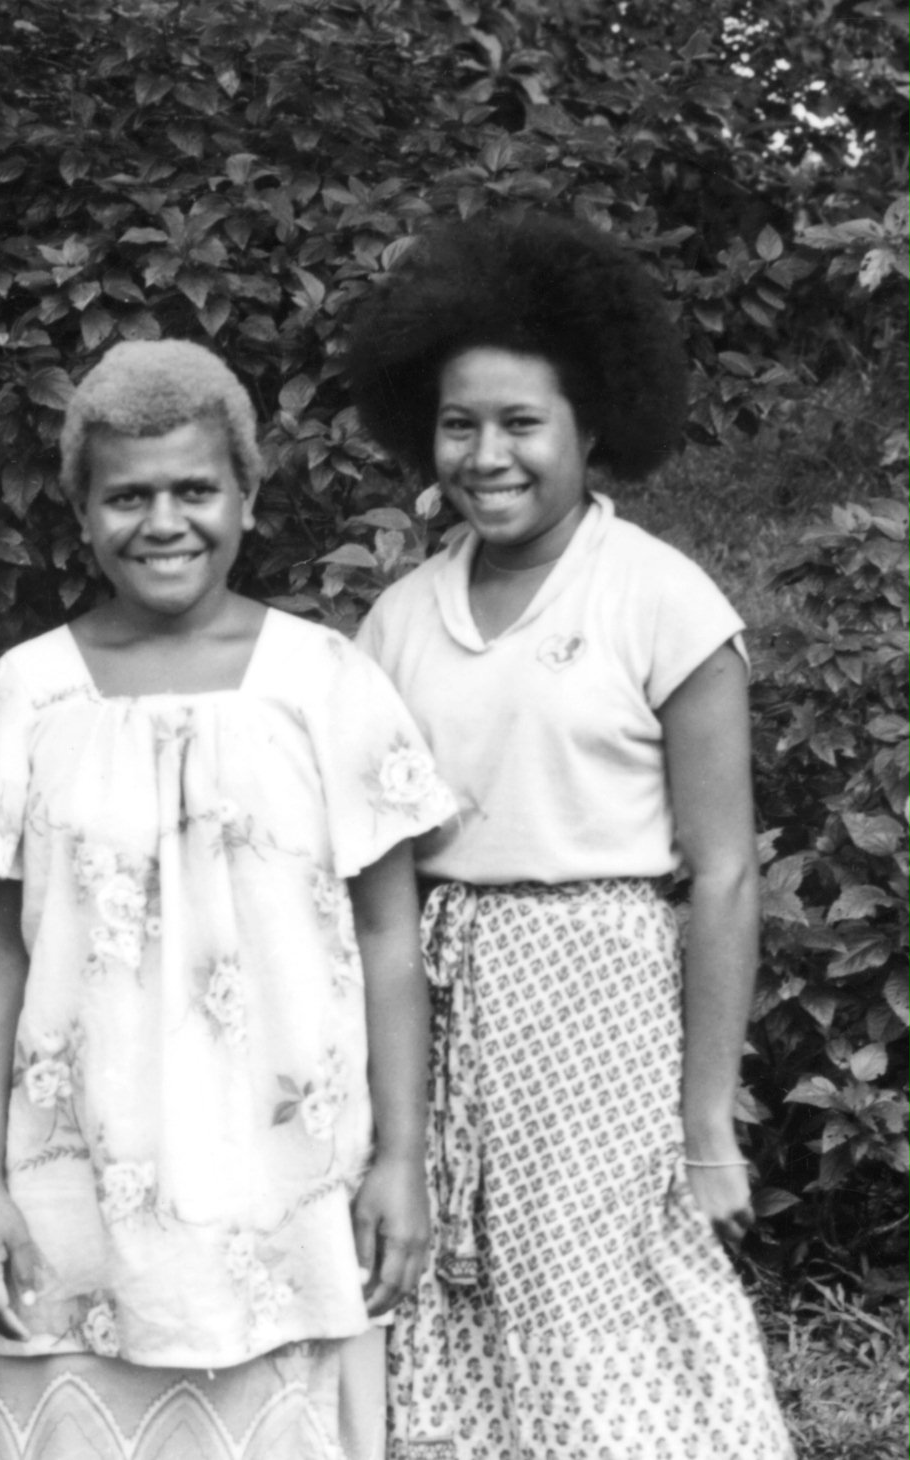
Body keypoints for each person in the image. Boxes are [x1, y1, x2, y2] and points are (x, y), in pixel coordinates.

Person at [0, 340, 453, 1460]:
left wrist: (398, 1159)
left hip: (290, 1191)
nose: (163, 521)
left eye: (194, 490)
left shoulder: (324, 680)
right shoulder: (28, 692)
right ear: (81, 512)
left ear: (246, 496)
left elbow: (387, 937)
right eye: (127, 496)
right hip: (71, 1190)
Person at [345, 213, 796, 1458]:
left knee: (602, 1309)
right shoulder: (395, 622)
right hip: (440, 1001)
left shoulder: (657, 597)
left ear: (590, 425)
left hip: (602, 1009)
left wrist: (706, 1122)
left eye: (519, 422)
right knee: (449, 1304)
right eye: (458, 424)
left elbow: (722, 874)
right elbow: (378, 892)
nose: (485, 455)